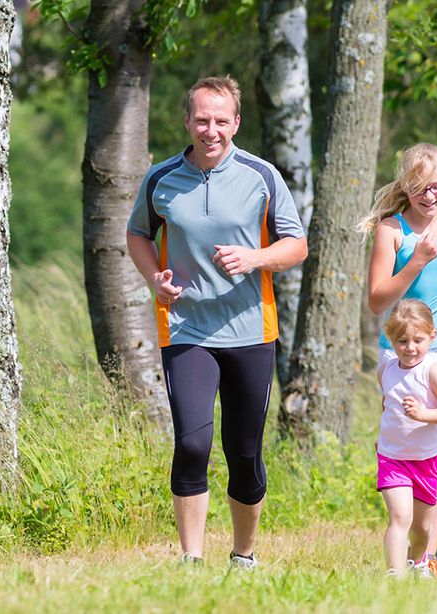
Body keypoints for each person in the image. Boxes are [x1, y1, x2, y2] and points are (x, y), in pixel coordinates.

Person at [126, 75, 308, 568]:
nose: (211, 130)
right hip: (186, 330)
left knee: (243, 452)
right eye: (202, 120)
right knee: (192, 443)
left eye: (221, 121)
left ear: (236, 123)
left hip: (251, 331)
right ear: (187, 121)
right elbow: (137, 234)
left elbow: (296, 245)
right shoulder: (161, 178)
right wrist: (153, 279)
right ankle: (191, 561)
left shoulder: (261, 175)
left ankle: (243, 556)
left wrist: (255, 258)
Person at [357, 142, 437, 577]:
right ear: (405, 187)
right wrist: (415, 261)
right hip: (398, 349)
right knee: (405, 432)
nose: (430, 197)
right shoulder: (391, 231)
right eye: (419, 189)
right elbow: (378, 301)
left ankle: (427, 555)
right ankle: (407, 527)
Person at [375, 300, 437, 578]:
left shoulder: (432, 370)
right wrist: (382, 436)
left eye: (418, 340)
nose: (411, 348)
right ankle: (395, 574)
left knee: (422, 528)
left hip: (427, 460)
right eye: (402, 341)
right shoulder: (386, 370)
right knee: (400, 518)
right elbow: (387, 405)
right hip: (393, 459)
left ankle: (419, 564)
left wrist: (424, 414)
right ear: (392, 340)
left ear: (432, 337)